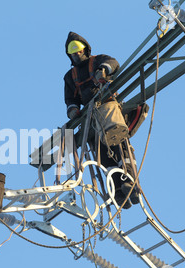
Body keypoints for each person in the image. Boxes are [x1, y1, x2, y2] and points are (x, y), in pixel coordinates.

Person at [63, 31, 140, 209]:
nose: (77, 54)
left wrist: (103, 70)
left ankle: (130, 182)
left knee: (120, 146)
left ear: (85, 50)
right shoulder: (70, 77)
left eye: (79, 50)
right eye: (73, 52)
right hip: (90, 120)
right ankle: (119, 192)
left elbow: (114, 63)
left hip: (108, 110)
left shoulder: (98, 61)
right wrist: (73, 110)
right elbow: (70, 99)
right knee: (102, 156)